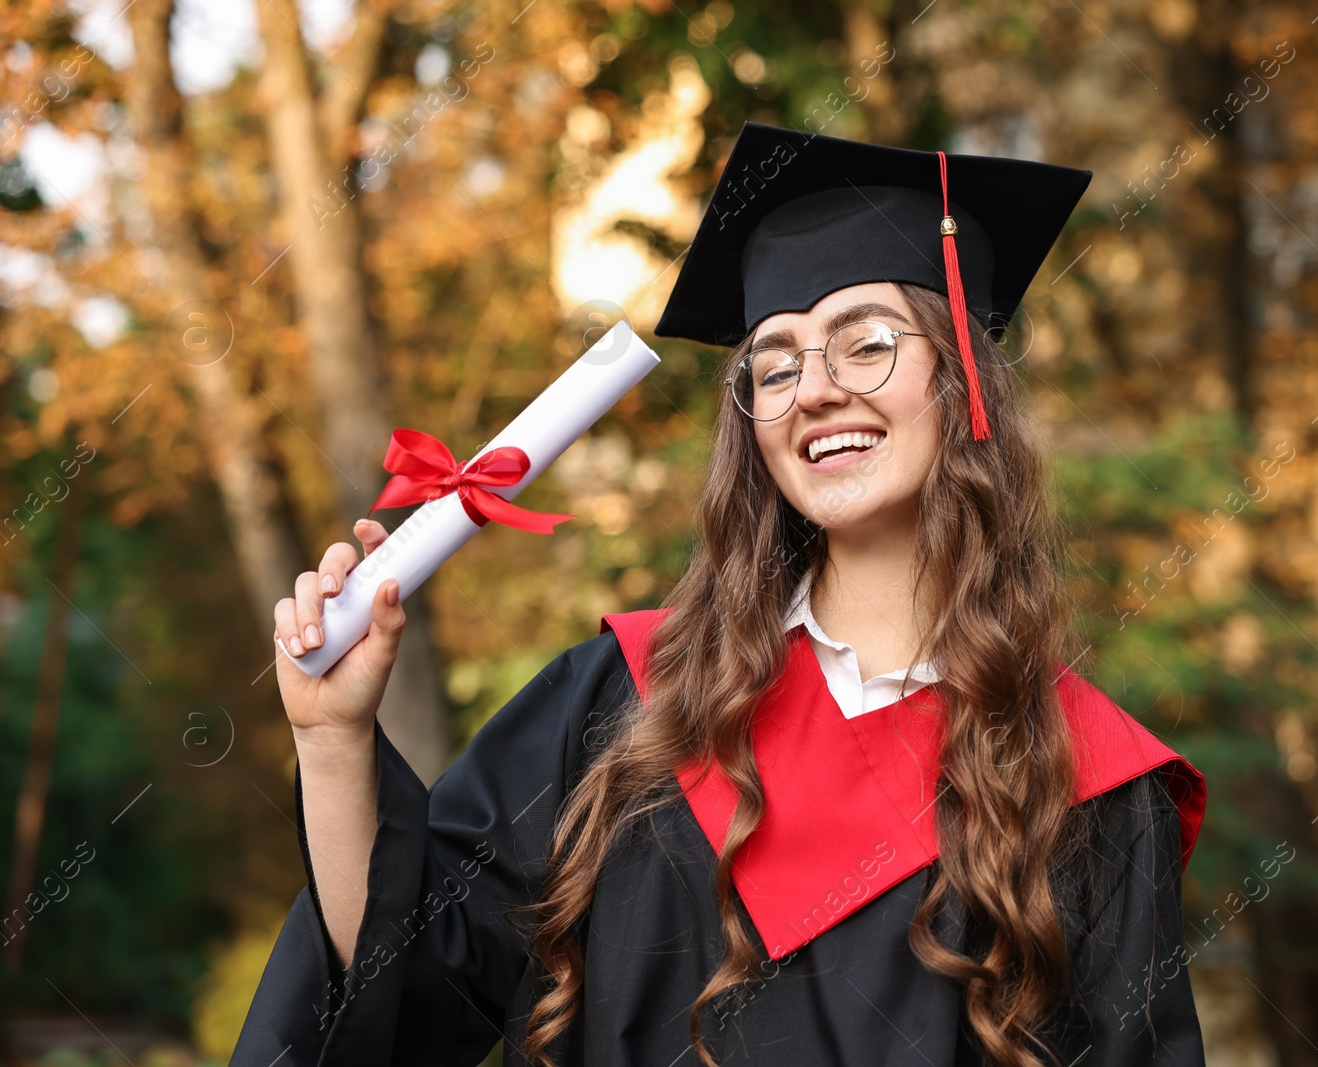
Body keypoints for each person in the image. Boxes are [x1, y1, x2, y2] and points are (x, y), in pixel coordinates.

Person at [234, 122, 1208, 1067]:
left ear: (963, 382)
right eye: (773, 364)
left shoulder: (1085, 777)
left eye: (865, 344)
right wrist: (331, 738)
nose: (813, 388)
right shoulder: (619, 701)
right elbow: (403, 994)